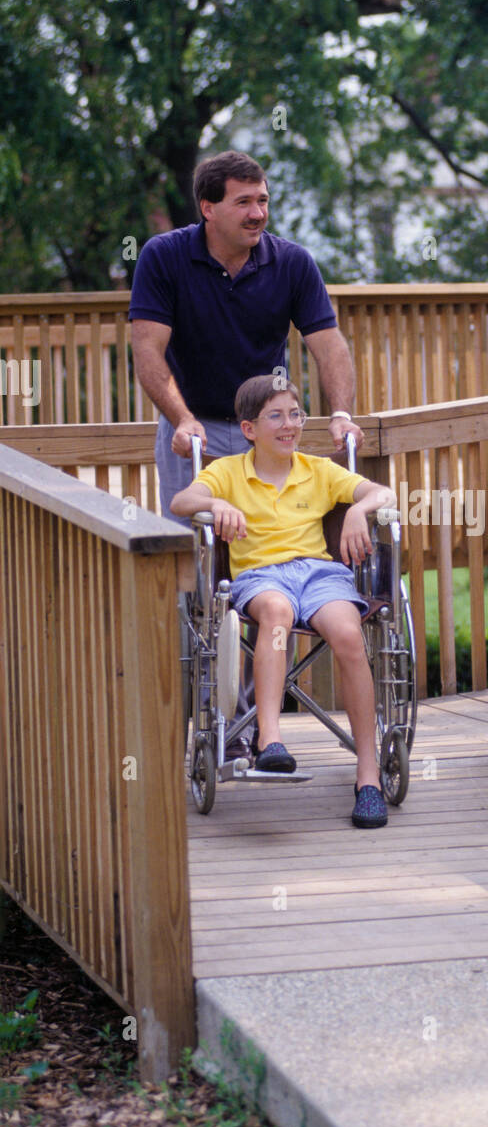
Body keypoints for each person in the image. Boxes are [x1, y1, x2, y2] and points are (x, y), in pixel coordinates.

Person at [130, 148, 364, 759]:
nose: (259, 212)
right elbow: (148, 352)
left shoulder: (290, 263)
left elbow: (329, 346)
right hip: (197, 432)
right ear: (208, 207)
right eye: (244, 202)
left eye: (263, 199)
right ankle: (216, 726)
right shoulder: (164, 258)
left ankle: (258, 726)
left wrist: (339, 411)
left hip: (264, 430)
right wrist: (180, 420)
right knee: (202, 581)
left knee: (258, 571)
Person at [170, 374, 398, 829]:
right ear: (250, 428)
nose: (289, 424)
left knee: (349, 633)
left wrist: (356, 510)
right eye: (276, 416)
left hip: (319, 575)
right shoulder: (229, 471)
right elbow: (182, 499)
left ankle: (368, 776)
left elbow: (383, 493)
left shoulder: (318, 470)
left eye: (295, 414)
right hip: (260, 577)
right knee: (275, 613)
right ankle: (269, 741)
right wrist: (215, 506)